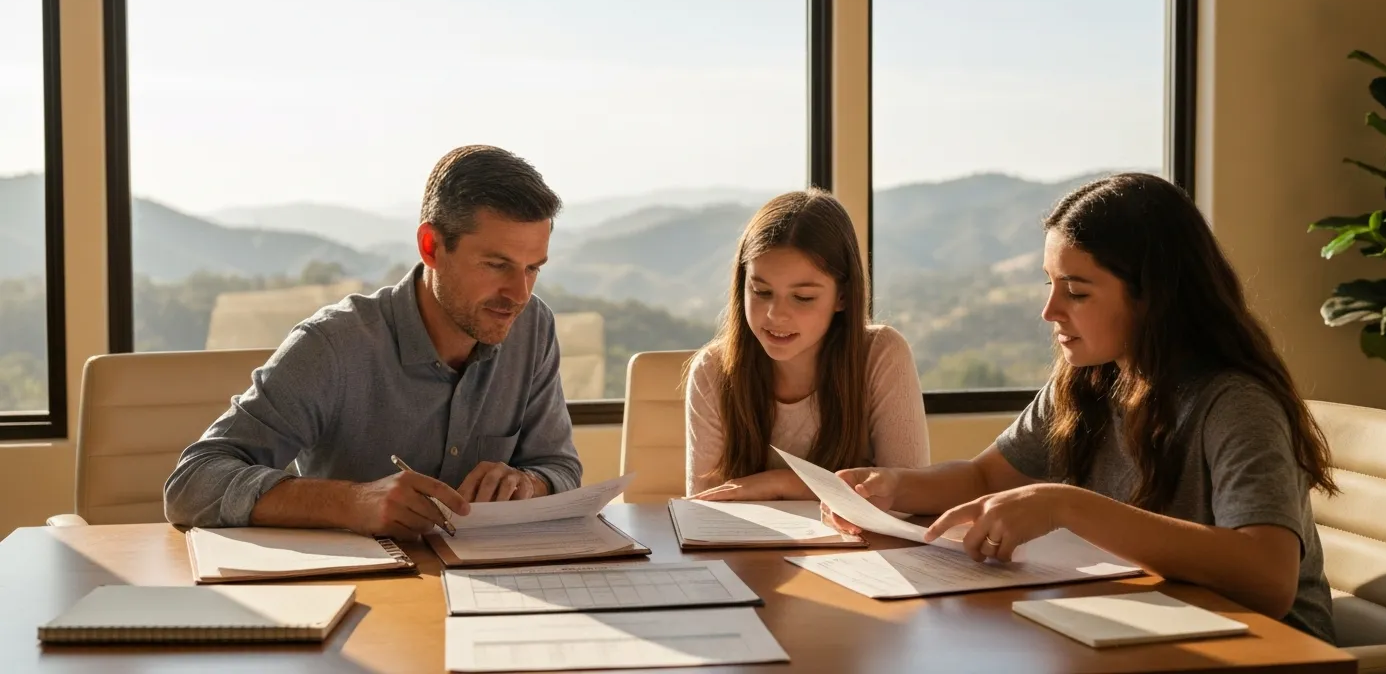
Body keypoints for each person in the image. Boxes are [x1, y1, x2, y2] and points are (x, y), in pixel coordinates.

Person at [824, 172, 1337, 644]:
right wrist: (889, 486)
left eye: (1076, 291)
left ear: (1152, 297)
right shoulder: (1088, 381)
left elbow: (1269, 580)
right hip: (1143, 627)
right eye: (1050, 284)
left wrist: (1066, 506)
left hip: (1263, 649)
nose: (1050, 310)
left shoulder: (1236, 404)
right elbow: (985, 478)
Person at [164, 145, 583, 538]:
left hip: (494, 590)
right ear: (431, 246)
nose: (519, 294)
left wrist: (530, 483)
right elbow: (192, 483)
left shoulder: (533, 328)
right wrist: (352, 502)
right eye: (496, 265)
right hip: (360, 594)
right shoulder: (333, 345)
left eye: (532, 269)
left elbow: (560, 467)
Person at [685, 188, 929, 501]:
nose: (775, 315)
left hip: (862, 550)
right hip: (748, 550)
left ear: (842, 296)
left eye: (803, 298)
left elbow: (909, 494)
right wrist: (834, 490)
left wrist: (781, 483)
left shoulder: (881, 353)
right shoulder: (712, 372)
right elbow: (706, 509)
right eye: (761, 292)